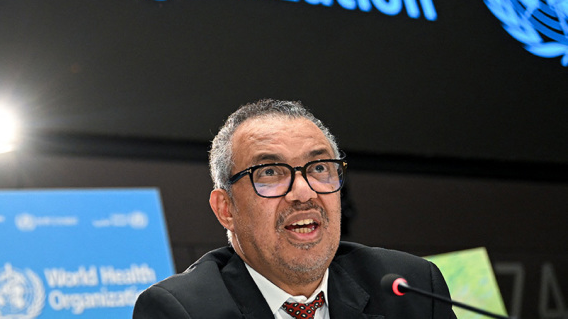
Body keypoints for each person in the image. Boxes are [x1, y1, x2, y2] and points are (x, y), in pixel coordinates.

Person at [133, 99, 456, 319]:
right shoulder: (181, 310)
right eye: (270, 172)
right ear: (226, 209)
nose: (304, 192)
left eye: (319, 168)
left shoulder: (410, 286)